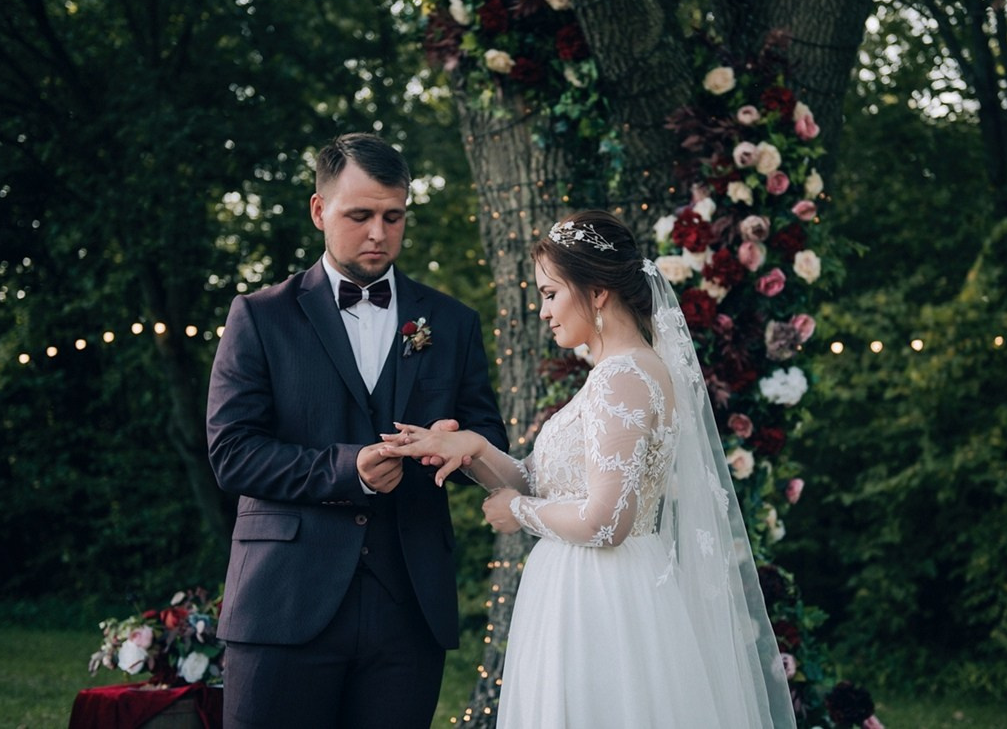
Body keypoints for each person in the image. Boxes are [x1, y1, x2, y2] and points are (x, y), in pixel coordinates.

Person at [385, 209, 797, 728]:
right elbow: (542, 483)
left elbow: (607, 520)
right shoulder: (621, 372)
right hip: (594, 587)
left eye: (550, 294)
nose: (544, 312)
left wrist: (518, 511)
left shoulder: (620, 378)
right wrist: (472, 447)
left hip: (602, 598)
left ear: (597, 292)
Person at [206, 132, 509, 728]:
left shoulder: (451, 322)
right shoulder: (260, 316)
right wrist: (350, 470)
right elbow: (233, 453)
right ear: (319, 210)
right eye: (360, 215)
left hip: (408, 609)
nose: (379, 233)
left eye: (393, 217)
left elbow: (486, 439)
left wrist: (457, 446)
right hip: (284, 601)